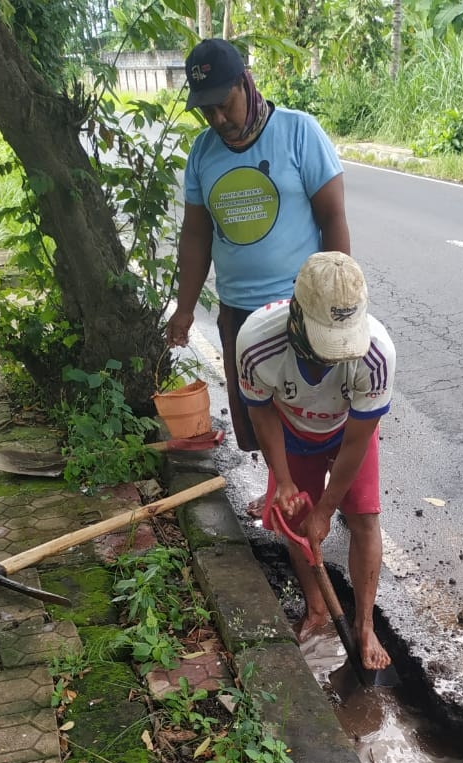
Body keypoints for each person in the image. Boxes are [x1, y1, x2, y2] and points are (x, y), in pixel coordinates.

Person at [167, 38, 351, 506]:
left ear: (246, 83)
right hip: (239, 312)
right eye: (205, 111)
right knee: (259, 413)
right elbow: (195, 236)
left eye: (223, 105)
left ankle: (342, 498)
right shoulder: (203, 154)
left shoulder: (298, 132)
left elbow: (332, 217)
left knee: (324, 405)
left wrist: (338, 306)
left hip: (303, 306)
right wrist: (185, 309)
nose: (217, 120)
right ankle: (286, 490)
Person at [235, 252, 395, 671]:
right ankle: (317, 607)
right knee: (296, 519)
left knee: (363, 519)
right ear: (297, 315)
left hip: (347, 431)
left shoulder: (377, 355)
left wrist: (327, 508)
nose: (336, 357)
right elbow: (261, 411)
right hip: (290, 429)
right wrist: (284, 481)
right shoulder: (257, 343)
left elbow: (358, 441)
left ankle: (364, 624)